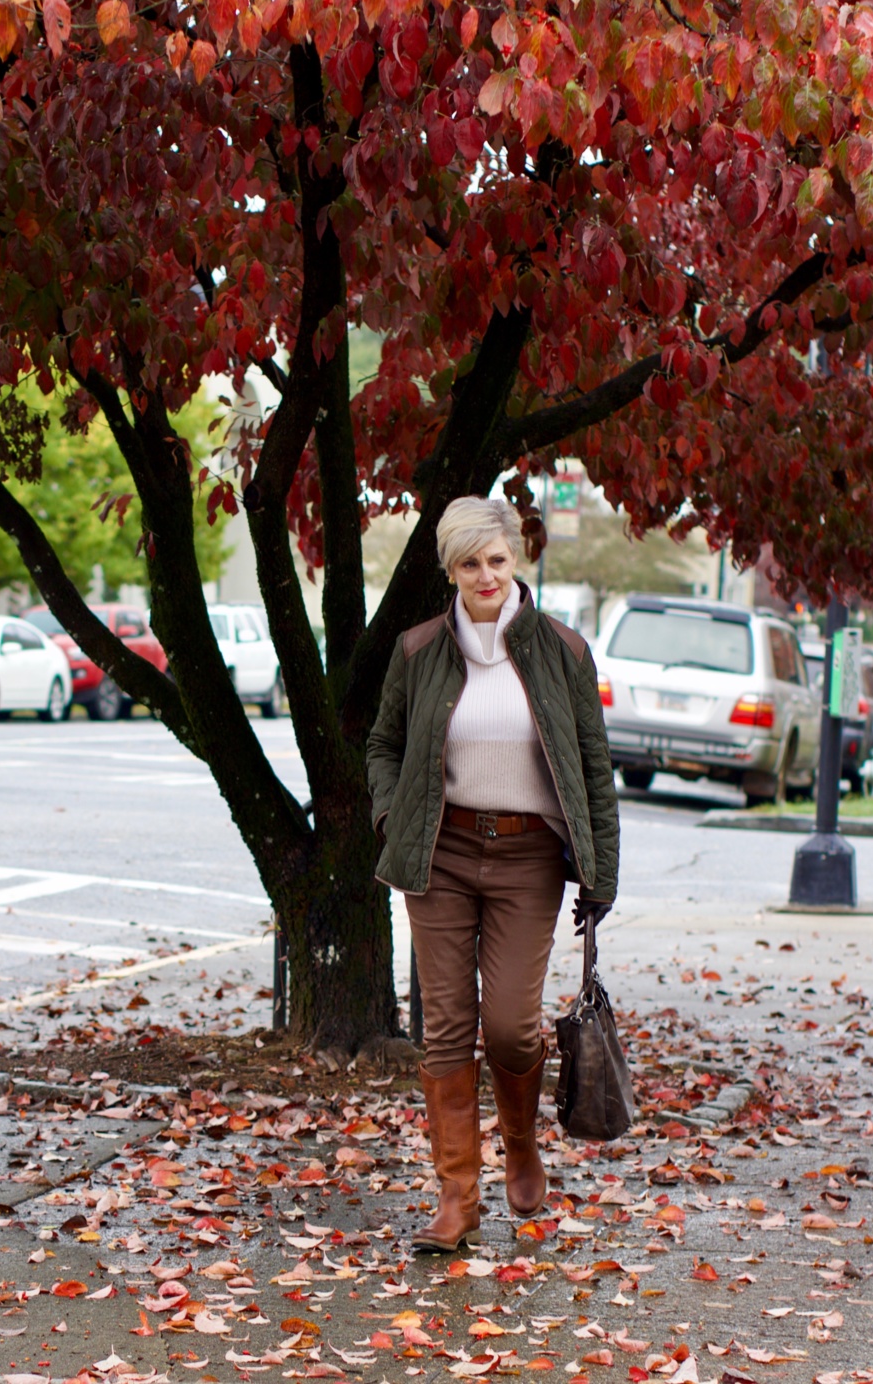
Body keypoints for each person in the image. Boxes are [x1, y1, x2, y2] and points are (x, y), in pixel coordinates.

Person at [366, 494, 619, 1251]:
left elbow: (595, 768)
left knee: (510, 1027)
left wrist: (601, 873)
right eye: (470, 563)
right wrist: (390, 813)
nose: (486, 575)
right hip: (436, 853)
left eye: (497, 560)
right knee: (444, 1028)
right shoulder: (417, 651)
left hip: (528, 858)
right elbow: (382, 745)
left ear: (518, 561)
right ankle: (457, 1200)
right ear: (451, 569)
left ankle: (521, 1145)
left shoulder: (564, 652)